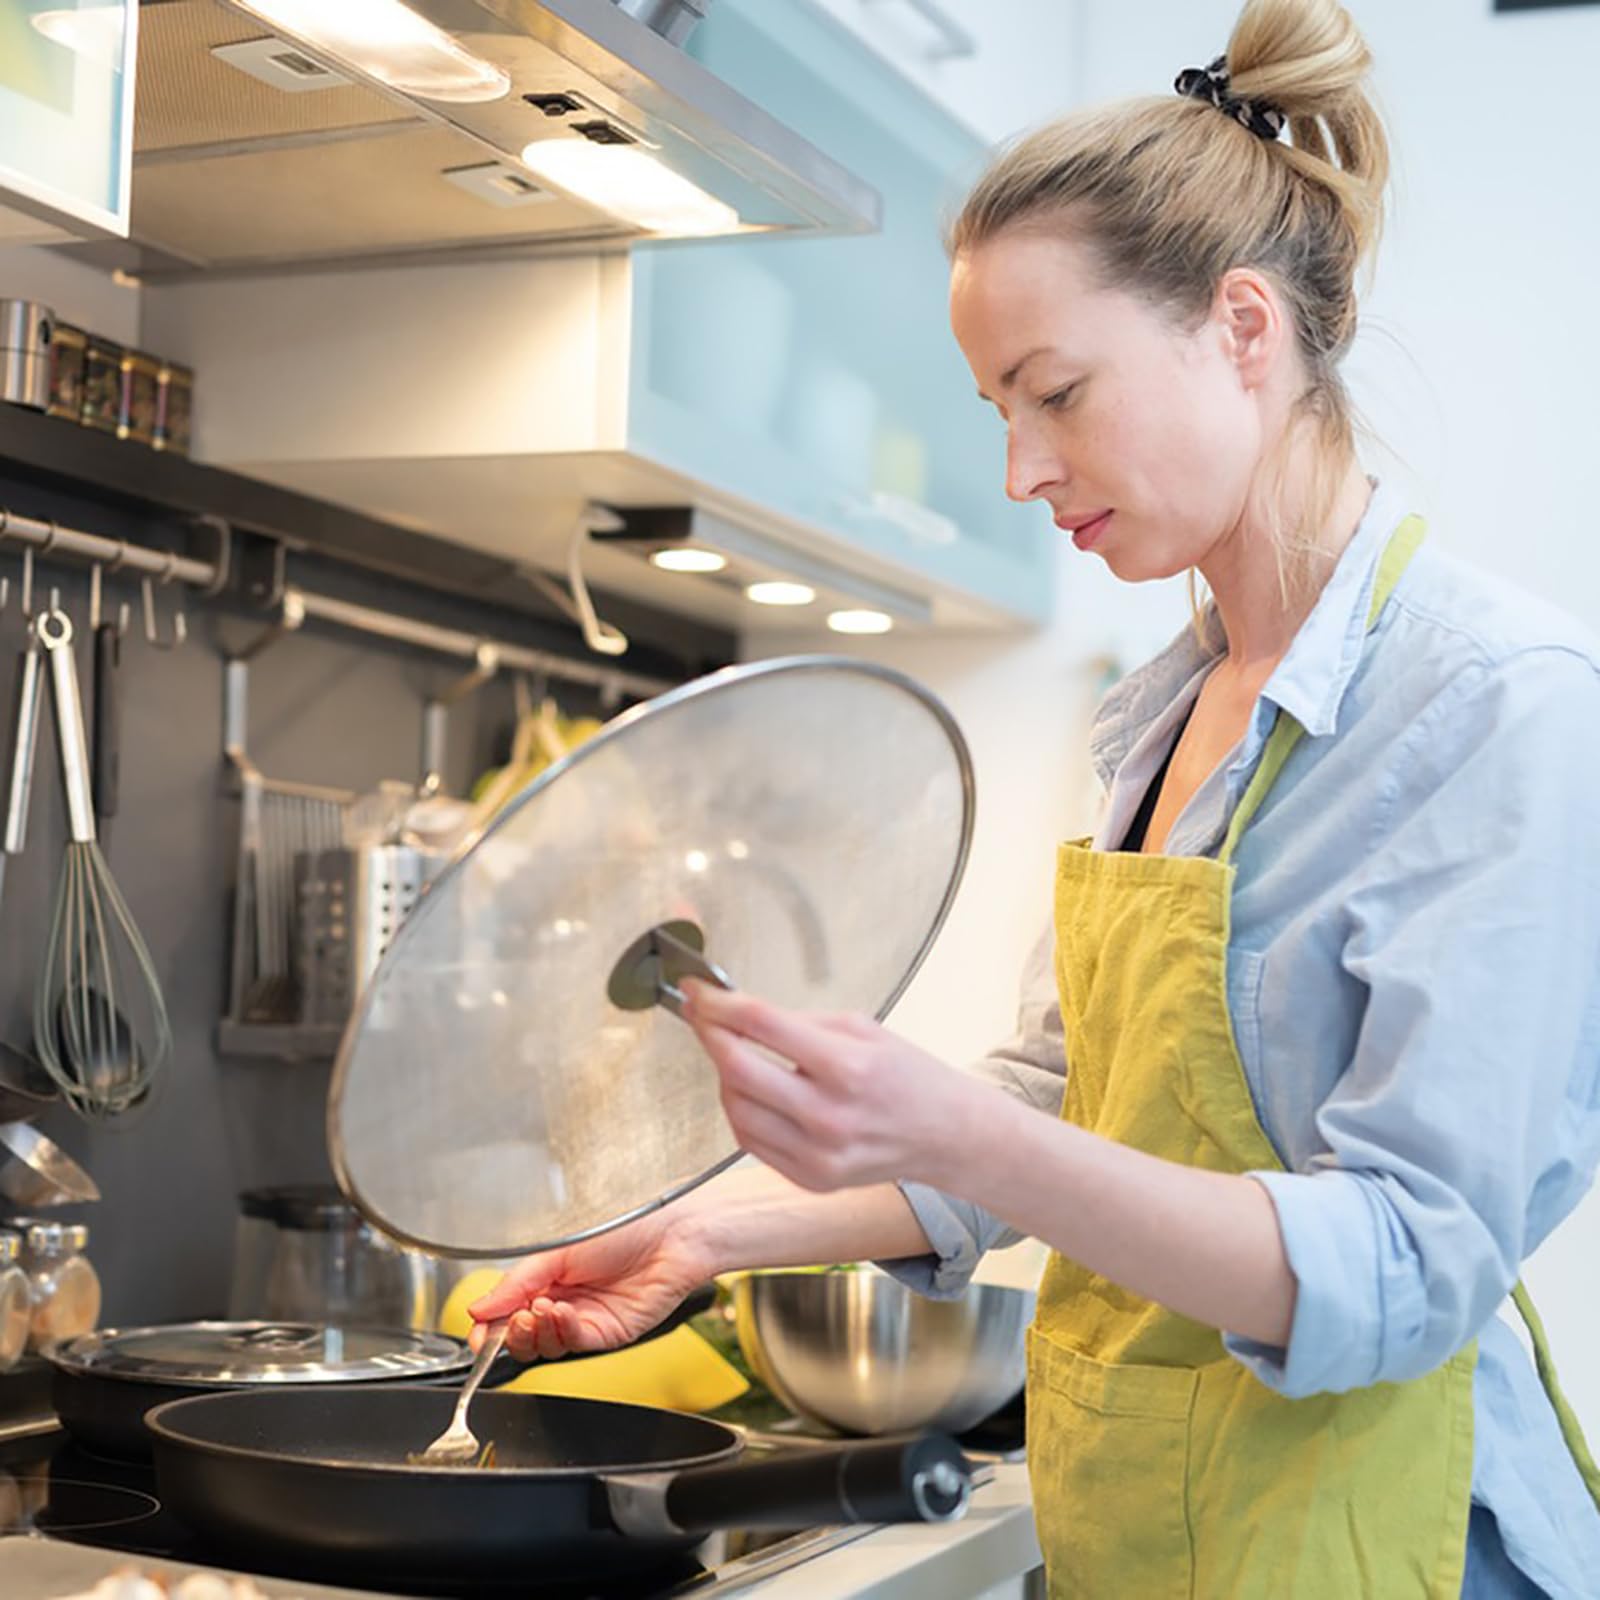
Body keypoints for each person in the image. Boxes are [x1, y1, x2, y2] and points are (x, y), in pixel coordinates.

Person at [471, 1, 1600, 1593]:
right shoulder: (1167, 715)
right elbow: (1056, 1098)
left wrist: (958, 1139)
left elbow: (1410, 1263)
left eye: (1056, 393)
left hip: (1380, 1541)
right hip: (1136, 1532)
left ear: (1243, 329)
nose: (1020, 468)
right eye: (999, 410)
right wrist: (708, 1238)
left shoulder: (1501, 708)